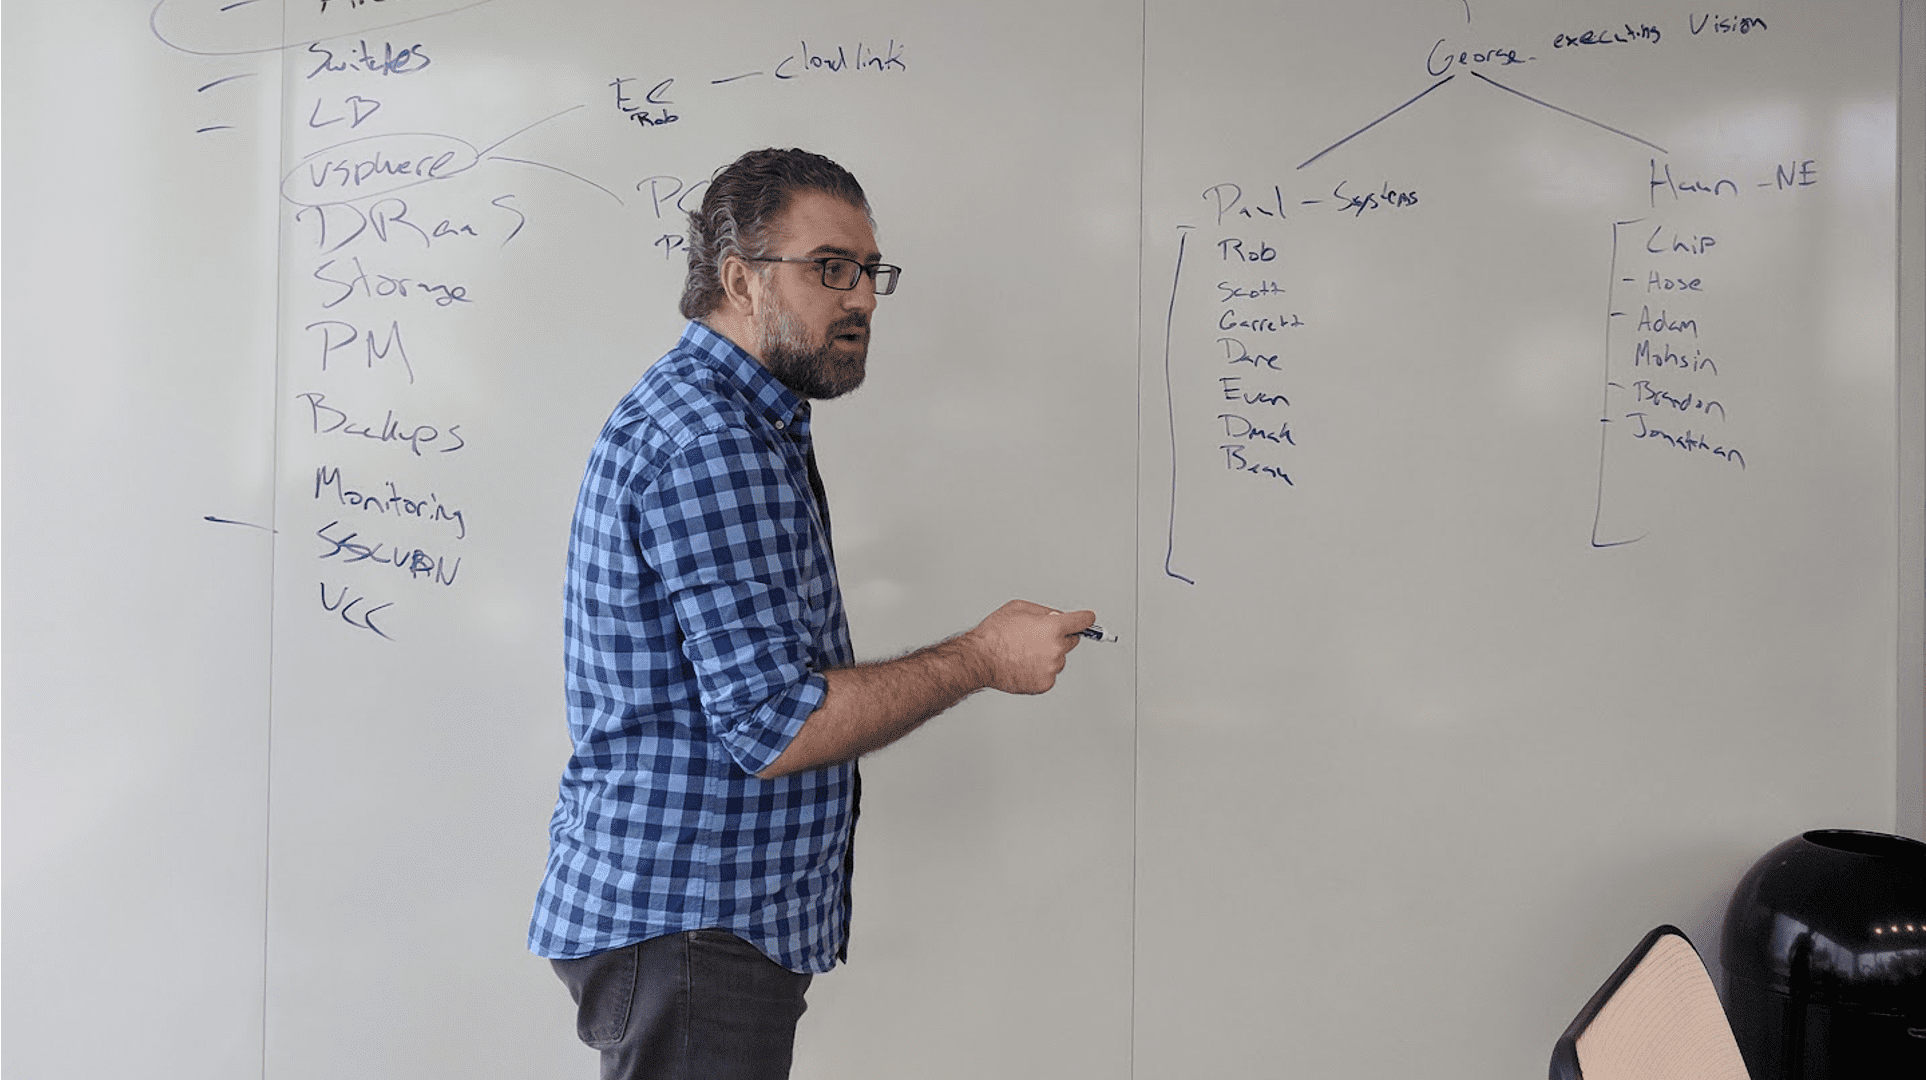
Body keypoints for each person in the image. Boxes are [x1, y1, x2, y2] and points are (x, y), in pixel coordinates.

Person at [528, 147, 1095, 1080]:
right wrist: (983, 657)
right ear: (740, 280)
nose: (862, 296)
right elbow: (774, 724)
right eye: (830, 267)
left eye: (871, 271)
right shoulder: (713, 441)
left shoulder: (741, 420)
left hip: (692, 927)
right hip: (691, 927)